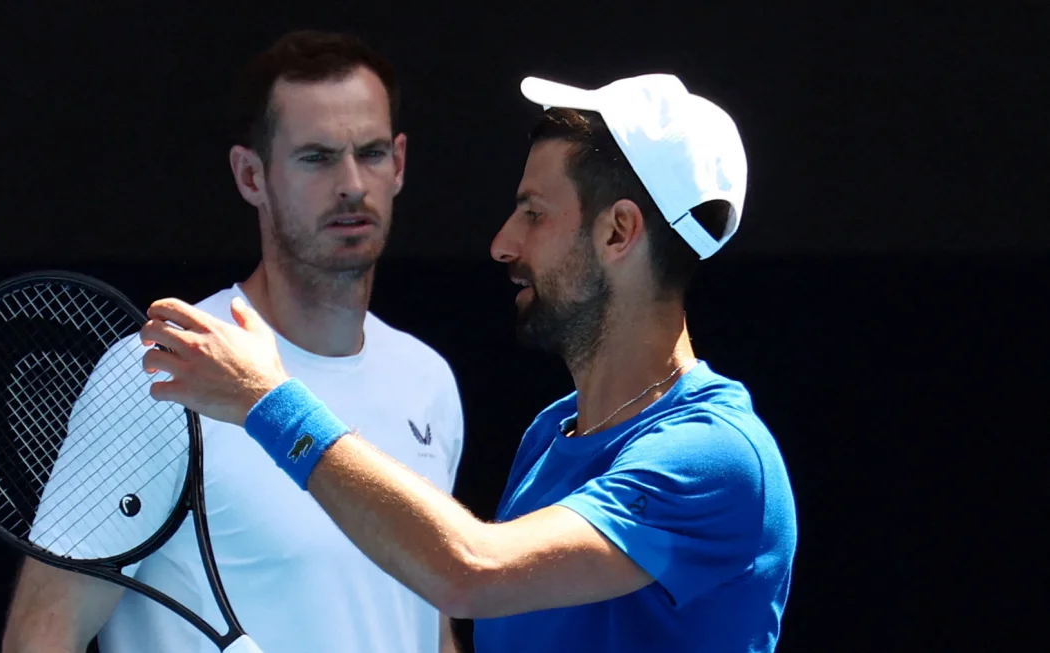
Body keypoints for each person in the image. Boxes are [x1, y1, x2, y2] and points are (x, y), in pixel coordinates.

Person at [138, 72, 798, 652]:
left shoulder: (716, 457)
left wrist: (267, 399)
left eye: (532, 213)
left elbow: (471, 570)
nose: (501, 243)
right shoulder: (551, 434)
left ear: (617, 232)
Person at [0, 30, 467, 653]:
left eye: (372, 153)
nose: (352, 183)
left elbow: (425, 625)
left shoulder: (427, 380)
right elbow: (40, 638)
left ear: (400, 163)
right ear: (251, 175)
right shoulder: (165, 371)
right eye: (317, 157)